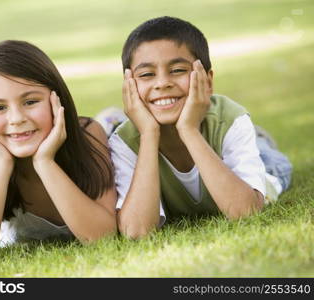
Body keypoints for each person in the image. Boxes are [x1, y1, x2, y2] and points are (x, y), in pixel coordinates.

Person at [100, 16, 292, 239]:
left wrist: (189, 130)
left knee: (274, 163)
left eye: (178, 70)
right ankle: (113, 120)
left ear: (207, 81)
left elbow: (245, 212)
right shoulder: (124, 141)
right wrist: (149, 134)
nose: (162, 83)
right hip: (151, 137)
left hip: (263, 166)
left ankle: (259, 139)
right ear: (129, 86)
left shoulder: (230, 120)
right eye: (146, 74)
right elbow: (137, 231)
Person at [0, 40, 117, 265]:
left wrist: (45, 162)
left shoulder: (89, 135)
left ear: (57, 99)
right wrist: (0, 164)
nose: (17, 119)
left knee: (111, 123)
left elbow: (101, 238)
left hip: (104, 129)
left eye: (30, 101)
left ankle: (112, 119)